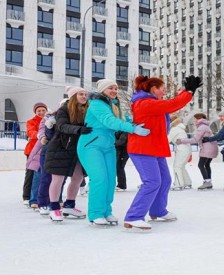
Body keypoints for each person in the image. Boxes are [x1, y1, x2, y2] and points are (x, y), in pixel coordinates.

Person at [124, 75, 202, 232]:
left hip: (154, 148)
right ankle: (133, 217)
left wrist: (185, 93)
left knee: (165, 180)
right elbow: (171, 105)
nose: (165, 90)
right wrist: (188, 92)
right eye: (162, 87)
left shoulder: (153, 103)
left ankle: (157, 210)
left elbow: (168, 106)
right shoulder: (144, 103)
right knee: (152, 182)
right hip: (142, 148)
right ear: (154, 89)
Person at [77, 80, 150, 226]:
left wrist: (134, 124)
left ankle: (106, 211)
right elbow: (109, 121)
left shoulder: (114, 105)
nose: (114, 91)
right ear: (102, 90)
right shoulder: (97, 104)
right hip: (91, 145)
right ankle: (96, 213)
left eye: (116, 88)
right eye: (111, 88)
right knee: (100, 178)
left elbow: (124, 119)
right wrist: (131, 129)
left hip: (108, 146)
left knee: (111, 180)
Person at [44, 87, 89, 222]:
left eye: (85, 94)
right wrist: (79, 129)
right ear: (73, 96)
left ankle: (69, 205)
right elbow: (61, 126)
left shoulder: (87, 110)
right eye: (81, 94)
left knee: (78, 177)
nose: (84, 96)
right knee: (58, 179)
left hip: (77, 149)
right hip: (61, 147)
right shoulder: (64, 109)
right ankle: (54, 208)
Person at [177, 113, 219, 190]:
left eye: (195, 119)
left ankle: (207, 182)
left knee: (201, 165)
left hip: (207, 148)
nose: (194, 120)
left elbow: (195, 139)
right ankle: (208, 182)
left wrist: (182, 141)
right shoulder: (205, 126)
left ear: (198, 119)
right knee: (206, 164)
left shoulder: (201, 127)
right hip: (212, 147)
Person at [22, 102, 47, 206]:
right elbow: (30, 132)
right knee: (30, 174)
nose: (41, 112)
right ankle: (27, 196)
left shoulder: (49, 120)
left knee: (43, 174)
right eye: (38, 111)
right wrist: (40, 135)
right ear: (35, 112)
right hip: (32, 151)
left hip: (45, 150)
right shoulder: (31, 121)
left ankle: (41, 195)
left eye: (43, 110)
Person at [168, 113, 193, 190]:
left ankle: (179, 184)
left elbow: (167, 140)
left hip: (182, 150)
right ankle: (187, 182)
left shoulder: (174, 129)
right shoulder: (180, 128)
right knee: (181, 167)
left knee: (177, 166)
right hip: (186, 149)